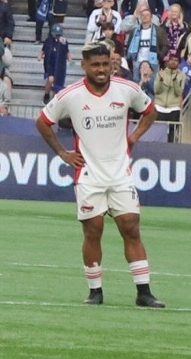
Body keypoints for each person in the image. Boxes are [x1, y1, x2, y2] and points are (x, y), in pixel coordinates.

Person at [36, 40, 162, 309]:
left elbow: (150, 111)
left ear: (112, 64)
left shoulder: (126, 89)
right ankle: (95, 291)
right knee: (93, 231)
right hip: (89, 174)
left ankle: (144, 292)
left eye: (106, 64)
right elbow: (43, 122)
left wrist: (134, 137)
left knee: (131, 227)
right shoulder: (70, 95)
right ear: (84, 66)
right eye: (95, 65)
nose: (102, 69)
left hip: (120, 173)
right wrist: (62, 153)